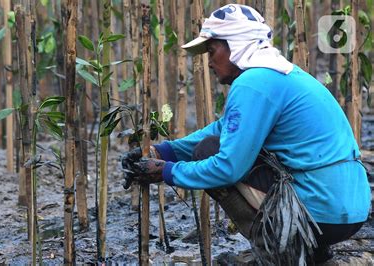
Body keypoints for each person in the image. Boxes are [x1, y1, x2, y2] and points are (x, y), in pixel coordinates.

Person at [121, 4, 371, 264]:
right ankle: (314, 253)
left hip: (321, 213)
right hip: (349, 209)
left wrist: (166, 172)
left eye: (211, 50)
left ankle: (281, 253)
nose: (208, 62)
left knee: (208, 151)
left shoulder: (253, 83)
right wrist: (165, 151)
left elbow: (228, 168)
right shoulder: (280, 74)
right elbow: (225, 127)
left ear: (235, 45)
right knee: (215, 145)